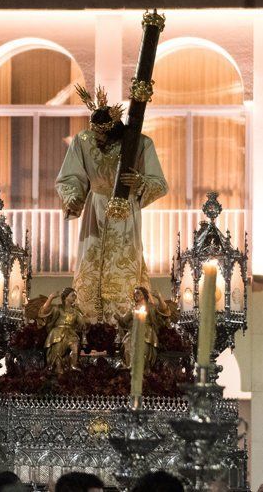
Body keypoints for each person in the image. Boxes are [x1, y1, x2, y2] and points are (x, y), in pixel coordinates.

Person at [56, 85, 168, 322]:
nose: (97, 140)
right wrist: (73, 197)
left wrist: (139, 182)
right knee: (91, 263)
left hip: (125, 212)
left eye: (102, 136)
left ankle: (128, 320)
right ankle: (88, 320)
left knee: (125, 264)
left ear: (115, 131)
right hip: (94, 213)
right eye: (94, 134)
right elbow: (70, 176)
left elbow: (159, 183)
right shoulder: (83, 141)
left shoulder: (139, 144)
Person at [117, 287, 175, 369]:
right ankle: (130, 368)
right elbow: (123, 321)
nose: (135, 295)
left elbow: (164, 312)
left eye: (138, 293)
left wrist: (159, 298)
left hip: (147, 333)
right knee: (128, 346)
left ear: (144, 295)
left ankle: (141, 370)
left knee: (141, 350)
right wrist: (118, 318)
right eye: (134, 293)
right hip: (132, 333)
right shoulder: (133, 309)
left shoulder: (151, 307)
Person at [40, 287, 87, 372]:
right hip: (57, 333)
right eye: (73, 296)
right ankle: (58, 369)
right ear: (66, 296)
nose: (74, 298)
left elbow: (82, 323)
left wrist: (84, 318)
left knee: (75, 346)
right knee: (58, 352)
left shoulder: (75, 311)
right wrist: (50, 298)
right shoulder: (58, 308)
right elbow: (44, 312)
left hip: (70, 333)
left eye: (75, 296)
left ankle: (73, 364)